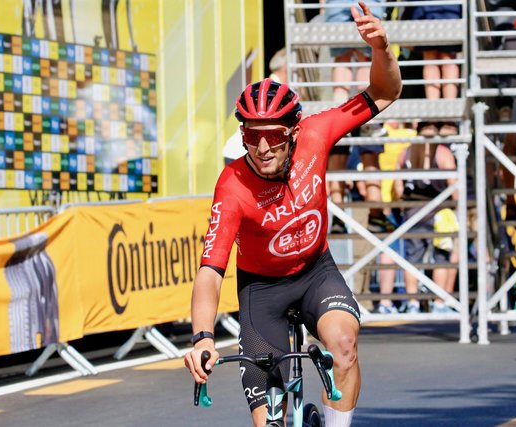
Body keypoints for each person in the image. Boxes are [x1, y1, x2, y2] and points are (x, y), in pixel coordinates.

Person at [184, 3, 402, 426]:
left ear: (294, 132)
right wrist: (202, 337)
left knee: (344, 345)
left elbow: (384, 92)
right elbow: (210, 269)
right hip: (262, 290)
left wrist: (381, 49)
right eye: (251, 136)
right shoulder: (232, 185)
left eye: (273, 135)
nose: (262, 148)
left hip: (315, 272)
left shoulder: (316, 135)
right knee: (269, 420)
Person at [323, 0, 395, 234]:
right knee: (364, 55)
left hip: (347, 107)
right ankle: (372, 215)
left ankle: (341, 217)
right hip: (365, 106)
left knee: (344, 57)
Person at [393, 142, 458, 313]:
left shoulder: (406, 151)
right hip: (439, 212)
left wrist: (403, 204)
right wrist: (457, 204)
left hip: (413, 211)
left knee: (412, 260)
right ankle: (439, 304)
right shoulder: (442, 151)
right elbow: (453, 183)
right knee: (441, 258)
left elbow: (397, 181)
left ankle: (412, 303)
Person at [406, 1, 462, 137]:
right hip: (424, 8)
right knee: (430, 58)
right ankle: (432, 118)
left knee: (448, 58)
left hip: (449, 8)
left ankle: (449, 118)